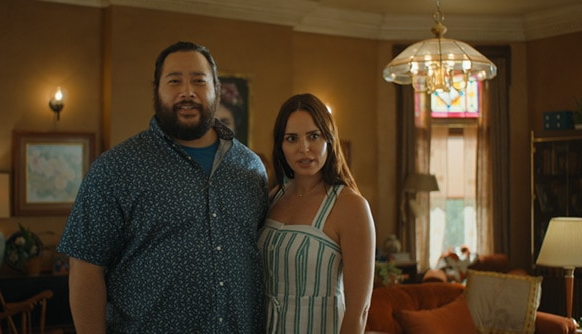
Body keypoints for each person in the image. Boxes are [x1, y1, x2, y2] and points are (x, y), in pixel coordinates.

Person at [57, 41, 269, 333]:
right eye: (174, 81)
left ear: (217, 90)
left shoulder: (250, 168)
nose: (187, 92)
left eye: (199, 80)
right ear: (156, 89)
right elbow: (85, 268)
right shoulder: (116, 168)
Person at [258, 93, 376, 333]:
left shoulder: (351, 207)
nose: (304, 149)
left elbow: (359, 311)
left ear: (329, 140)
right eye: (291, 139)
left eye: (314, 136)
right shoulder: (274, 197)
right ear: (281, 146)